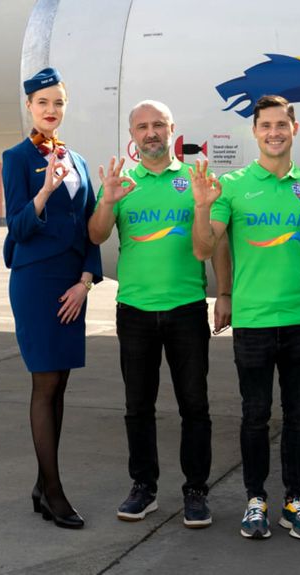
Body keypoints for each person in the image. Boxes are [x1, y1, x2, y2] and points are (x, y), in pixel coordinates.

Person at [190, 94, 300, 542]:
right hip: (253, 322)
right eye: (266, 125)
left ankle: (295, 500)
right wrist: (202, 206)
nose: (274, 132)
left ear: (295, 129)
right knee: (255, 415)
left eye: (281, 124)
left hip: (298, 320)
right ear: (254, 132)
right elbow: (203, 248)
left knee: (298, 416)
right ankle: (255, 500)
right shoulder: (230, 186)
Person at [88, 100, 216, 529]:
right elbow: (96, 234)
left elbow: (206, 248)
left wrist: (202, 207)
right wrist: (107, 201)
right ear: (133, 135)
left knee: (194, 405)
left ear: (171, 129)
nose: (150, 133)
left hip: (186, 309)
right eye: (142, 126)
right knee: (137, 406)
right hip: (135, 311)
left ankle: (196, 491)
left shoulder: (194, 181)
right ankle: (144, 487)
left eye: (158, 124)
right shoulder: (122, 182)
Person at [1, 66, 102, 530]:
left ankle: (43, 487)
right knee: (44, 383)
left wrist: (86, 280)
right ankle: (54, 491)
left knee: (59, 383)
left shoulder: (76, 160)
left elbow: (91, 225)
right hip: (36, 280)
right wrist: (43, 192)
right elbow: (18, 228)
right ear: (29, 107)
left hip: (71, 284)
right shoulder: (17, 158)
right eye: (43, 102)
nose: (51, 110)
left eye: (58, 102)